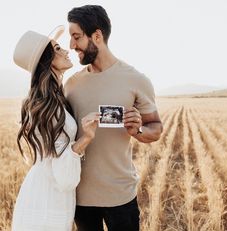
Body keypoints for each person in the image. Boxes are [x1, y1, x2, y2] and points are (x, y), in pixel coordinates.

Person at [64, 5, 163, 231]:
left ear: (97, 36)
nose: (71, 45)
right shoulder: (70, 85)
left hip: (121, 195)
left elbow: (155, 128)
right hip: (80, 198)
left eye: (76, 37)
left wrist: (137, 130)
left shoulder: (136, 79)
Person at [11, 25, 99, 231]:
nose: (66, 50)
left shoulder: (53, 98)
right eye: (58, 48)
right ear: (46, 60)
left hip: (47, 190)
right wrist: (85, 138)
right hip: (48, 197)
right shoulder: (45, 103)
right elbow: (64, 175)